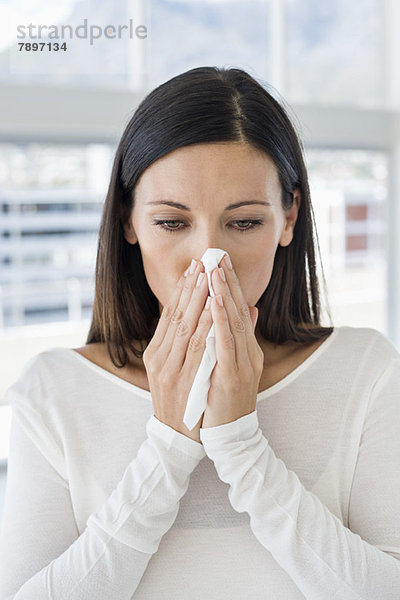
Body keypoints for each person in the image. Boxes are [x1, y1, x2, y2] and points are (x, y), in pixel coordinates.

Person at [0, 66, 399, 599]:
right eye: (171, 222)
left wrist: (241, 445)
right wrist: (167, 443)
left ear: (288, 217)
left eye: (244, 223)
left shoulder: (364, 369)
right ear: (128, 221)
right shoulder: (51, 390)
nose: (211, 258)